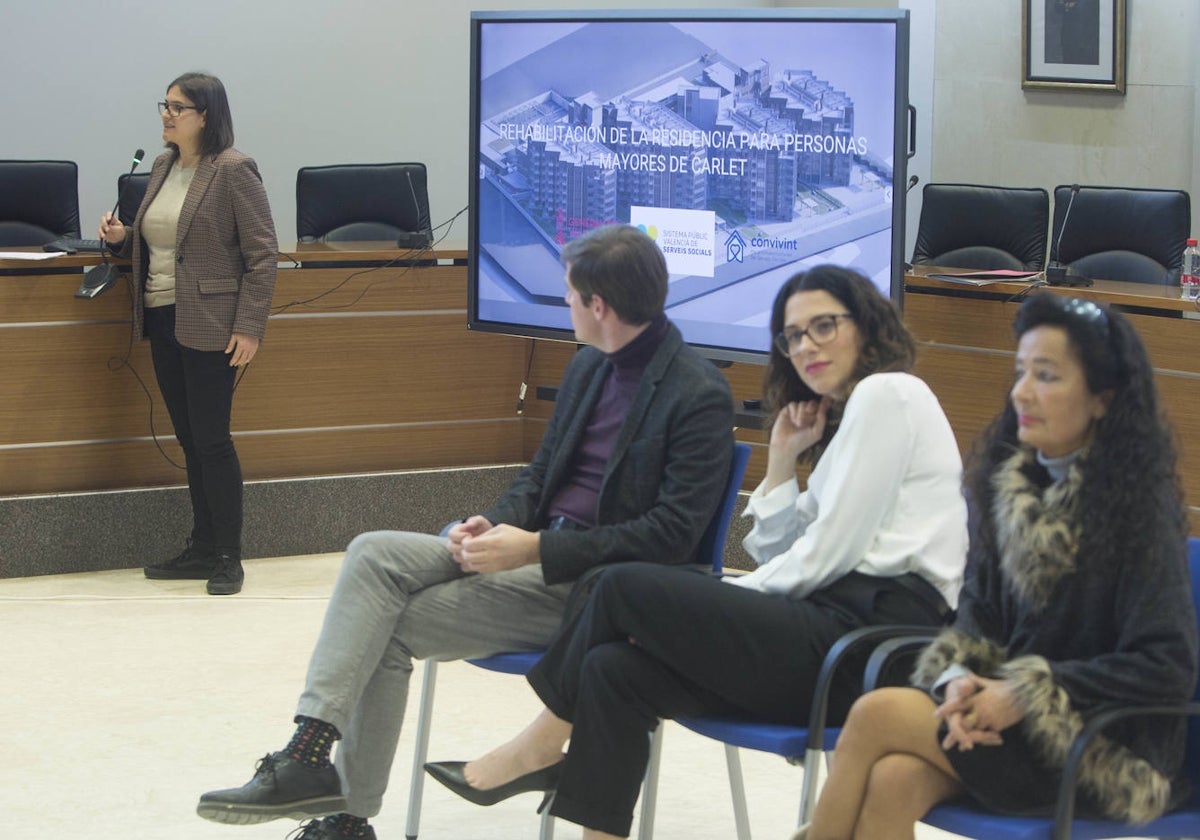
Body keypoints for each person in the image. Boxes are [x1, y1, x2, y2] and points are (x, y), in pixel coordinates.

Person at [195, 224, 735, 840]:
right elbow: (540, 477)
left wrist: (535, 548)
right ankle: (309, 754)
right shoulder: (590, 366)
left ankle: (346, 817)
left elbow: (671, 537)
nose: (564, 304)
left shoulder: (698, 392)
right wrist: (495, 525)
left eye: (569, 294)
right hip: (533, 554)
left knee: (384, 627)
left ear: (599, 306)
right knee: (372, 553)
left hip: (596, 593)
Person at [424, 265, 969, 840]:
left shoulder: (891, 393)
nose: (806, 346)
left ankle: (536, 745)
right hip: (824, 634)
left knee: (619, 584)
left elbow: (828, 555)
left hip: (871, 647)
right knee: (614, 670)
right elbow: (791, 552)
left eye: (824, 327)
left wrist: (726, 594)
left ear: (867, 325)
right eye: (793, 335)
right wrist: (782, 461)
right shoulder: (849, 416)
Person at [801, 293, 1199, 840]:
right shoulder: (1010, 486)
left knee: (875, 715)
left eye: (1047, 376)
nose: (1022, 393)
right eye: (1020, 372)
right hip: (1011, 727)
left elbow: (1166, 666)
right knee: (894, 779)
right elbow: (978, 613)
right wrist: (960, 681)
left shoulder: (1139, 511)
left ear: (1103, 399)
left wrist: (1025, 693)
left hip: (1104, 748)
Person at [98, 72, 278, 596]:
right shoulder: (162, 165)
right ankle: (201, 547)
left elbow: (262, 256)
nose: (166, 115)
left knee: (212, 440)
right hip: (162, 317)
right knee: (188, 440)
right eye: (165, 105)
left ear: (206, 116)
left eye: (178, 107)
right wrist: (123, 236)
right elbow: (167, 240)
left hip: (214, 325)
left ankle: (228, 556)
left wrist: (249, 327)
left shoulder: (233, 170)